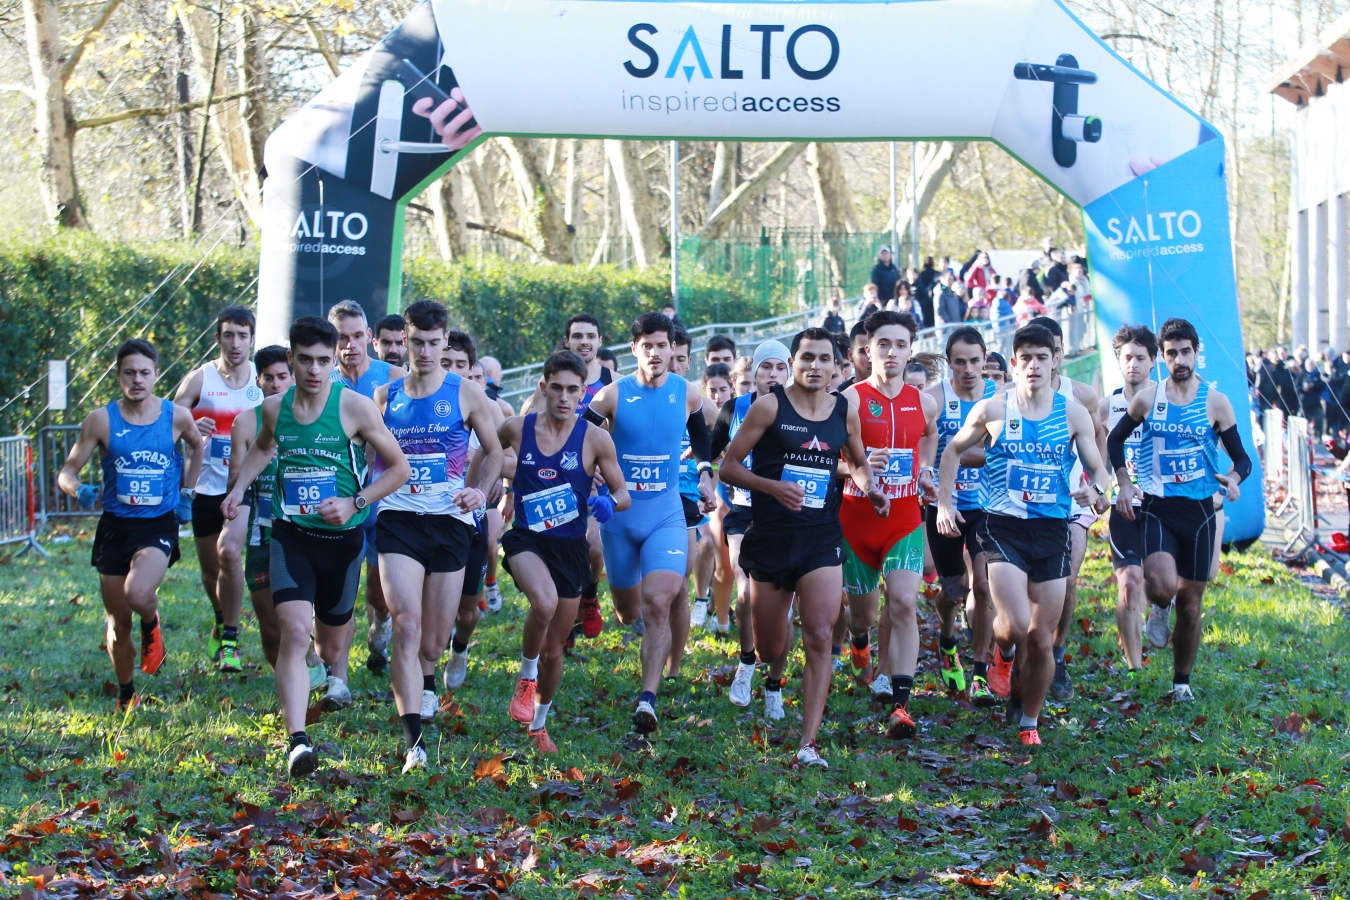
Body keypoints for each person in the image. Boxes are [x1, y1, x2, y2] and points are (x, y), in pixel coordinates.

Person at [222, 316, 411, 778]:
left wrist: (355, 501)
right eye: (304, 360)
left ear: (334, 361)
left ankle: (330, 669)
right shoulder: (273, 408)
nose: (313, 370)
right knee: (292, 630)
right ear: (290, 359)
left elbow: (399, 469)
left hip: (342, 541)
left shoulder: (356, 408)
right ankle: (297, 742)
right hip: (292, 535)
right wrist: (237, 490)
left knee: (329, 645)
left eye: (323, 361)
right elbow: (265, 449)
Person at [720, 328, 889, 767]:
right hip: (772, 540)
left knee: (818, 635)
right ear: (792, 364)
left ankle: (807, 743)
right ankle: (768, 673)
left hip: (820, 539)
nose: (815, 366)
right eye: (806, 358)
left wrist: (869, 487)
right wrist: (772, 488)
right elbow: (729, 468)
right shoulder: (769, 407)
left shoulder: (843, 410)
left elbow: (856, 461)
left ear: (838, 367)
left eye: (824, 359)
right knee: (773, 647)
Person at [936, 324, 1110, 746]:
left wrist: (1098, 489)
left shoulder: (1072, 413)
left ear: (1054, 363)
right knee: (1014, 625)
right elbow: (953, 451)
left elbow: (1098, 466)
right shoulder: (994, 410)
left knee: (1041, 637)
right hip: (1004, 527)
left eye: (1042, 358)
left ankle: (1029, 719)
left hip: (1051, 529)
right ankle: (1002, 653)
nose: (1034, 366)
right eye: (1026, 358)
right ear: (1013, 364)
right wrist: (945, 502)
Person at [372, 301, 503, 773]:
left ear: (445, 341)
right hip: (400, 519)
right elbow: (370, 459)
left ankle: (429, 675)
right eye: (416, 342)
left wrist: (478, 490)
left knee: (432, 640)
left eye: (433, 343)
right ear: (403, 342)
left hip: (450, 522)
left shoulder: (467, 394)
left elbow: (494, 453)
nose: (425, 351)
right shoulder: (385, 398)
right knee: (405, 623)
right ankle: (414, 741)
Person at [584, 312, 715, 734]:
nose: (656, 353)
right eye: (647, 346)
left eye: (663, 345)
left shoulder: (687, 392)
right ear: (635, 350)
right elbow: (580, 440)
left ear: (671, 348)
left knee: (660, 601)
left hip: (666, 513)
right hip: (622, 517)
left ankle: (648, 699)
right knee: (628, 611)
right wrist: (594, 471)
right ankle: (631, 623)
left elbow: (701, 434)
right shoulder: (611, 396)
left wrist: (707, 469)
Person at [1108, 318, 1251, 702]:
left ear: (1196, 352)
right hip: (1157, 506)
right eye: (1171, 353)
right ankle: (1159, 607)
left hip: (1200, 510)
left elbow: (1242, 458)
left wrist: (1234, 478)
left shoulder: (1214, 402)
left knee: (1191, 604)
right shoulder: (1148, 399)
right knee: (1163, 584)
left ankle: (1181, 682)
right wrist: (1123, 482)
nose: (1179, 359)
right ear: (1163, 358)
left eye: (1185, 351)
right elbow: (1115, 440)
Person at [60, 339, 204, 712]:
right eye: (129, 373)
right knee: (117, 621)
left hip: (157, 524)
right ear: (118, 375)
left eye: (144, 372)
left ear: (156, 375)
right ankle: (127, 693)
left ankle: (152, 621)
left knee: (138, 593)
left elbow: (197, 445)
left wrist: (188, 492)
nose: (137, 380)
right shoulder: (101, 420)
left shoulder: (176, 416)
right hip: (114, 528)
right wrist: (79, 490)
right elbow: (67, 471)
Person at [500, 352, 631, 752]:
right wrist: (481, 489)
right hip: (526, 539)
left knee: (555, 649)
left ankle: (539, 725)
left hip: (570, 547)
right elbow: (489, 453)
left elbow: (623, 493)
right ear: (543, 387)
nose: (563, 396)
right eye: (556, 387)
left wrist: (610, 502)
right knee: (543, 602)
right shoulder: (517, 428)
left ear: (582, 394)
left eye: (573, 389)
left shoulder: (595, 438)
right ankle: (525, 677)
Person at [839, 312, 937, 739]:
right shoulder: (851, 399)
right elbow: (829, 456)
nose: (892, 352)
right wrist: (857, 468)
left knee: (901, 603)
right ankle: (861, 644)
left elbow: (929, 435)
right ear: (868, 349)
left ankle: (900, 704)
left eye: (900, 345)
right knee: (863, 615)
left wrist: (927, 470)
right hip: (857, 520)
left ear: (910, 349)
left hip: (904, 518)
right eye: (884, 344)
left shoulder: (925, 400)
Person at [227, 345, 324, 690]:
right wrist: (246, 480)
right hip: (263, 531)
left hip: (308, 529)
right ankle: (285, 678)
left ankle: (314, 670)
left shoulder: (317, 416)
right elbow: (235, 479)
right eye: (270, 378)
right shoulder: (248, 422)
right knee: (270, 623)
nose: (277, 383)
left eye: (283, 376)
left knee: (304, 616)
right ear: (259, 381)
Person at [174, 306, 260, 672]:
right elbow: (171, 418)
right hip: (205, 486)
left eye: (243, 335)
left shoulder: (261, 379)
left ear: (252, 339)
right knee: (211, 570)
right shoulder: (201, 378)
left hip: (243, 485)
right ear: (218, 338)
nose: (236, 343)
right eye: (229, 335)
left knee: (229, 554)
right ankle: (219, 615)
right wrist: (194, 421)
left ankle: (230, 637)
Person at [1028, 314, 1108, 706]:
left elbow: (1099, 441)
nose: (1044, 361)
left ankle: (1057, 653)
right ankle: (1027, 649)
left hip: (1073, 499)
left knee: (1068, 579)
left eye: (1053, 351)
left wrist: (1098, 485)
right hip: (1025, 502)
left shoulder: (1082, 396)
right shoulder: (1013, 394)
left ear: (1059, 355)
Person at [328, 300, 409, 680]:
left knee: (379, 593)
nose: (350, 345)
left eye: (358, 336)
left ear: (369, 338)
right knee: (336, 593)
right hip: (336, 499)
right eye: (342, 338)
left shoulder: (394, 376)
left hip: (382, 498)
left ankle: (379, 629)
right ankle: (334, 672)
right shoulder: (320, 381)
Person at [522, 313, 615, 639]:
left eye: (591, 336)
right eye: (578, 336)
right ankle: (558, 626)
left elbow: (621, 436)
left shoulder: (613, 382)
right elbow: (523, 435)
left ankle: (588, 597)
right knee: (552, 557)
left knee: (593, 548)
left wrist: (604, 469)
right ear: (568, 341)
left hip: (595, 483)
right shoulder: (551, 382)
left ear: (600, 341)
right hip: (551, 488)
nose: (584, 342)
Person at [712, 340, 791, 709]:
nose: (772, 374)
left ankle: (774, 684)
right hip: (742, 513)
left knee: (781, 610)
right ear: (754, 373)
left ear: (788, 371)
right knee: (745, 594)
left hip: (786, 516)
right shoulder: (735, 408)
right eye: (766, 367)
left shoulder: (798, 411)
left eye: (779, 367)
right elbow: (710, 449)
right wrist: (702, 471)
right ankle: (746, 663)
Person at [924, 327, 999, 706]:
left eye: (975, 361)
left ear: (985, 360)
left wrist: (955, 454)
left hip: (989, 505)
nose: (968, 369)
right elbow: (925, 450)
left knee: (984, 587)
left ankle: (981, 673)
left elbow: (1006, 451)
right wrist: (932, 469)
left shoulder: (1001, 399)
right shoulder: (934, 399)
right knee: (954, 591)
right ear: (948, 362)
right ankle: (947, 639)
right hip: (943, 505)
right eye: (960, 361)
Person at [1102, 325, 1157, 678]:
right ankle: (1134, 666)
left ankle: (1158, 612)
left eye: (1140, 358)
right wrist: (1095, 488)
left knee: (1158, 583)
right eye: (1127, 358)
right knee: (1129, 581)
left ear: (1153, 361)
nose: (1133, 364)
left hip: (1163, 506)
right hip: (1123, 506)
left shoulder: (1169, 399)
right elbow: (1098, 456)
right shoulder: (1108, 405)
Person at [671, 329, 721, 642]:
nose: (672, 364)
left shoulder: (698, 402)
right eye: (667, 356)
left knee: (686, 566)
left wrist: (708, 474)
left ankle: (696, 604)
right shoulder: (635, 396)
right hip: (647, 495)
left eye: (679, 358)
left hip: (691, 495)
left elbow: (724, 435)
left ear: (688, 362)